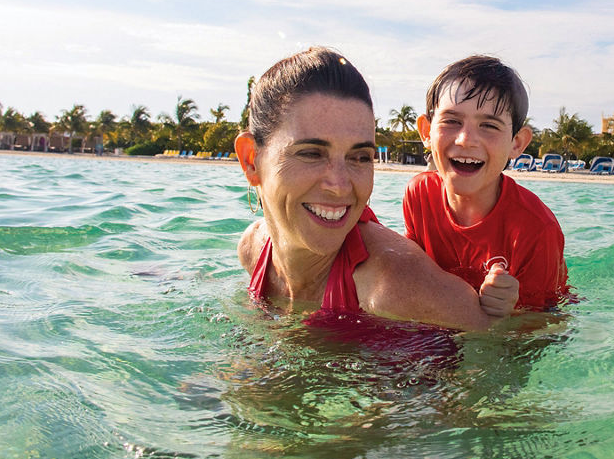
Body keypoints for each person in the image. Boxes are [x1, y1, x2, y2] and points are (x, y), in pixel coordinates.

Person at [234, 47, 505, 331]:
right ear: (251, 160)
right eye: (311, 153)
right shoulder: (252, 250)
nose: (339, 187)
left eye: (359, 157)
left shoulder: (395, 285)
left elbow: (505, 346)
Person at [400, 55, 570, 311]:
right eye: (452, 121)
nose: (466, 140)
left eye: (489, 126)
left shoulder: (536, 230)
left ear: (517, 143)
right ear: (426, 132)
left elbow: (547, 324)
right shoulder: (419, 195)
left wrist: (512, 311)